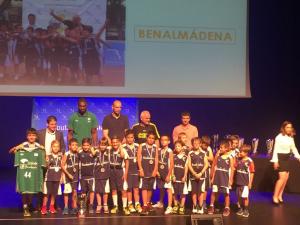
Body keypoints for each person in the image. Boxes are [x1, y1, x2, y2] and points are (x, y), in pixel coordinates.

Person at [13, 128, 46, 217]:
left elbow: (44, 156)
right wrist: (16, 148)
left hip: (34, 174)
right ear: (27, 136)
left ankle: (29, 205)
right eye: (30, 135)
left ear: (36, 137)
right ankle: (25, 207)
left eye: (33, 135)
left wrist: (43, 151)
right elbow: (12, 151)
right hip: (24, 174)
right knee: (24, 190)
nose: (31, 137)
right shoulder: (23, 145)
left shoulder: (39, 147)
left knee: (31, 191)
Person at [271, 121, 300, 204]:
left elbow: (293, 148)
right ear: (283, 128)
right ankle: (275, 196)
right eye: (287, 127)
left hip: (287, 158)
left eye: (290, 127)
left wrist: (298, 157)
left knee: (286, 178)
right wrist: (275, 161)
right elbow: (275, 150)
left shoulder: (291, 137)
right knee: (281, 179)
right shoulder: (279, 137)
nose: (289, 129)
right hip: (281, 158)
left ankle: (280, 195)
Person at [208, 139, 234, 217]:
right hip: (217, 177)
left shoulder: (230, 157)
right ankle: (211, 206)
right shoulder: (218, 156)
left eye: (222, 148)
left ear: (226, 148)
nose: (220, 149)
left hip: (225, 178)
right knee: (214, 192)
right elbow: (214, 165)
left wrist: (231, 180)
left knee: (226, 193)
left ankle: (226, 207)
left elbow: (232, 169)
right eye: (220, 147)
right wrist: (212, 177)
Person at [137, 132, 158, 215]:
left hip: (152, 170)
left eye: (153, 138)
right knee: (144, 188)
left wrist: (155, 169)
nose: (151, 140)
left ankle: (148, 203)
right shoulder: (141, 146)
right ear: (147, 138)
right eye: (150, 138)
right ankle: (144, 205)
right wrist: (140, 169)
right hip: (144, 169)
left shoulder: (155, 147)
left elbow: (156, 158)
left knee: (150, 188)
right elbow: (138, 158)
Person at [123, 129, 142, 213]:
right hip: (128, 170)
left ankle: (137, 204)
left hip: (136, 169)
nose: (130, 139)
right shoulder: (123, 147)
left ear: (134, 138)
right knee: (129, 188)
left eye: (131, 137)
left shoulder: (138, 146)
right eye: (128, 137)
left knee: (136, 188)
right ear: (125, 138)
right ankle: (130, 204)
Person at [153, 135, 174, 215]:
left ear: (169, 141)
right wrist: (157, 171)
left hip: (167, 172)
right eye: (161, 140)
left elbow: (171, 164)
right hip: (160, 172)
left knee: (168, 189)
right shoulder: (159, 150)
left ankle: (169, 206)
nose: (163, 141)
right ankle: (161, 203)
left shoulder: (169, 151)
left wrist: (169, 175)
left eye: (165, 140)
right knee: (161, 188)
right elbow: (157, 161)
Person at [109, 136, 130, 215]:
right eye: (113, 142)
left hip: (120, 171)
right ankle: (115, 206)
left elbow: (127, 162)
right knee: (114, 189)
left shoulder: (123, 150)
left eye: (116, 142)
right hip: (111, 171)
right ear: (111, 143)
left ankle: (125, 207)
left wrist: (125, 174)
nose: (114, 144)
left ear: (119, 142)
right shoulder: (109, 150)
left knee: (123, 190)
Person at [41, 140, 63, 215]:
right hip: (49, 177)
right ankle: (44, 207)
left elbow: (62, 167)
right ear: (51, 147)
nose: (56, 148)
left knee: (54, 193)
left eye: (57, 146)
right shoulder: (48, 156)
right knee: (47, 193)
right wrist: (47, 161)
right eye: (54, 146)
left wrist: (62, 178)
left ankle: (51, 206)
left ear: (59, 148)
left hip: (57, 177)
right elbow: (45, 166)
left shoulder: (61, 156)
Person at [188, 137, 209, 214]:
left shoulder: (203, 153)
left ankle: (200, 206)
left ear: (200, 144)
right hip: (193, 176)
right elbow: (189, 165)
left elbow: (206, 164)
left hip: (201, 176)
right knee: (194, 192)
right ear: (192, 144)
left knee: (201, 192)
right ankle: (195, 205)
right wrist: (194, 173)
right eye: (194, 143)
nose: (196, 144)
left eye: (197, 143)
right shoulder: (190, 153)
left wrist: (200, 173)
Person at [235, 144, 255, 218]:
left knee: (245, 197)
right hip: (238, 182)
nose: (240, 153)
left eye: (242, 152)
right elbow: (234, 167)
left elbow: (252, 173)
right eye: (240, 151)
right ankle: (240, 208)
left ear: (246, 153)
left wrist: (250, 183)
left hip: (245, 183)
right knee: (238, 196)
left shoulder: (250, 161)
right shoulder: (238, 160)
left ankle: (246, 210)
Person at [78, 138, 97, 214]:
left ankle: (91, 205)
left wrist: (91, 148)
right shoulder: (80, 153)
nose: (85, 147)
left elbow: (94, 154)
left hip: (91, 176)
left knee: (92, 191)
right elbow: (77, 150)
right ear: (82, 145)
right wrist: (80, 147)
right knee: (83, 192)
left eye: (87, 145)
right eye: (84, 145)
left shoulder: (92, 153)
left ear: (90, 146)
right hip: (83, 176)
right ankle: (83, 206)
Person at [62, 138, 80, 215]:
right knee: (66, 192)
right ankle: (66, 207)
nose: (75, 146)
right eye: (73, 145)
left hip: (75, 176)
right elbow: (62, 165)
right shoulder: (66, 154)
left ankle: (74, 207)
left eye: (76, 145)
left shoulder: (78, 154)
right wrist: (68, 174)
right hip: (67, 176)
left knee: (74, 192)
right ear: (69, 146)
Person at [94, 137, 111, 214]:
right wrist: (95, 148)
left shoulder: (109, 151)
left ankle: (105, 204)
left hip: (106, 174)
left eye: (104, 145)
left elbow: (116, 145)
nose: (102, 146)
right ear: (99, 145)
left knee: (105, 191)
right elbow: (91, 150)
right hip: (97, 174)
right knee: (97, 191)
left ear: (107, 145)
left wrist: (107, 143)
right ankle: (99, 204)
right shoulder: (96, 152)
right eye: (101, 145)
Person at [172, 140, 189, 215]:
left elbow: (186, 167)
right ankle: (175, 205)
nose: (177, 147)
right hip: (175, 177)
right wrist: (173, 175)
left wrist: (184, 176)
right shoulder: (173, 156)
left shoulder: (186, 157)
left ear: (182, 147)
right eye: (176, 146)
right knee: (174, 193)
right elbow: (172, 167)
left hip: (182, 177)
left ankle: (182, 206)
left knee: (183, 193)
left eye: (179, 146)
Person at [201, 136, 214, 210]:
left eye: (207, 145)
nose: (206, 146)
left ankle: (204, 201)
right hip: (199, 170)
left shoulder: (209, 149)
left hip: (206, 170)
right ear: (201, 143)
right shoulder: (198, 148)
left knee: (205, 187)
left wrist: (204, 156)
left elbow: (211, 158)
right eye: (205, 145)